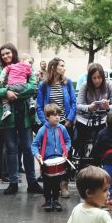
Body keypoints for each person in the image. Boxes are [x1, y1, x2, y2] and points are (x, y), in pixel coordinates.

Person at [0, 43, 42, 195]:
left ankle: (32, 182)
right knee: (11, 149)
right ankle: (13, 182)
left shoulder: (25, 67)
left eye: (8, 53)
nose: (6, 56)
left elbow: (32, 87)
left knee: (27, 148)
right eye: (3, 54)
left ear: (14, 53)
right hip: (7, 117)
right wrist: (6, 92)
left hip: (24, 114)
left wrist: (14, 94)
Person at [36, 57, 76, 198]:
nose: (64, 68)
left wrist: (70, 119)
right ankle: (50, 184)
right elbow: (39, 106)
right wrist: (44, 121)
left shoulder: (67, 82)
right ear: (54, 68)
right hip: (49, 125)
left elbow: (73, 102)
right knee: (48, 151)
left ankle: (64, 185)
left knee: (65, 152)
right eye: (62, 66)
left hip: (64, 123)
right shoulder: (44, 85)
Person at [32, 102, 72, 212]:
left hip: (59, 160)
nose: (57, 117)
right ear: (47, 117)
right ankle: (48, 200)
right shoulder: (42, 130)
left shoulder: (62, 128)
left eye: (59, 115)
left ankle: (55, 199)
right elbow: (34, 145)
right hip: (46, 161)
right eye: (54, 115)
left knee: (57, 182)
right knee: (47, 182)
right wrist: (37, 155)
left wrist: (66, 150)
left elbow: (68, 141)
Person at [75, 62, 112, 156]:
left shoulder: (109, 85)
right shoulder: (85, 85)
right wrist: (88, 107)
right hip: (85, 119)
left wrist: (108, 107)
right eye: (94, 78)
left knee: (101, 145)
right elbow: (78, 105)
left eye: (99, 77)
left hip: (102, 119)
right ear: (90, 78)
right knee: (80, 143)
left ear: (103, 77)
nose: (97, 80)